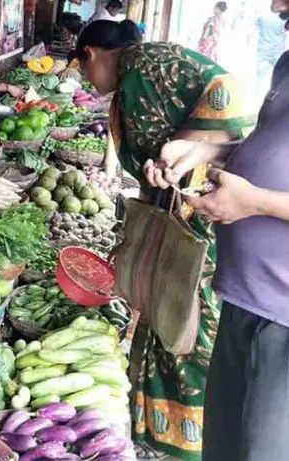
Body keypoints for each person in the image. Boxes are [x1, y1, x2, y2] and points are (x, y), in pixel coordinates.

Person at [74, 19, 250, 461]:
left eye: (83, 69)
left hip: (196, 218)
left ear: (91, 54)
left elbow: (224, 89)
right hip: (174, 214)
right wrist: (168, 161)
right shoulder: (134, 76)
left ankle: (194, 438)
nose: (88, 81)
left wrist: (189, 147)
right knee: (164, 314)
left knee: (187, 321)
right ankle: (158, 429)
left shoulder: (147, 64)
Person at [144, 1, 289, 458]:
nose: (276, 6)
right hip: (247, 298)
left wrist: (254, 202)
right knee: (225, 445)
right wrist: (207, 153)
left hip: (283, 316)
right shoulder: (287, 64)